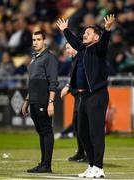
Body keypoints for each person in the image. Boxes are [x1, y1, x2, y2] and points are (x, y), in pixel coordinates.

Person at [56, 14, 115, 178]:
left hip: (97, 95)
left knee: (96, 132)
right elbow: (75, 42)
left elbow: (104, 43)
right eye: (84, 34)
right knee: (82, 132)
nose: (84, 35)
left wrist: (107, 29)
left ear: (96, 37)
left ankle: (99, 167)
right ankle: (91, 165)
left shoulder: (98, 49)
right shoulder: (83, 50)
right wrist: (65, 30)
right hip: (84, 97)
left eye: (87, 33)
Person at [22, 30, 58, 173]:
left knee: (47, 131)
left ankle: (47, 165)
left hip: (44, 100)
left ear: (45, 41)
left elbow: (53, 81)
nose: (35, 42)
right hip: (34, 101)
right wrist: (27, 101)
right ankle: (43, 163)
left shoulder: (49, 58)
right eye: (33, 40)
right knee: (41, 132)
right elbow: (32, 82)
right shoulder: (34, 59)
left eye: (38, 39)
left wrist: (51, 102)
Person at [61, 42, 87, 162]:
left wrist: (68, 87)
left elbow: (80, 80)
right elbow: (73, 79)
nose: (66, 51)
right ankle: (81, 152)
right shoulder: (74, 60)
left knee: (83, 126)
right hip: (77, 97)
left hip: (83, 97)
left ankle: (87, 153)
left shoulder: (81, 59)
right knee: (77, 125)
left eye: (68, 48)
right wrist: (68, 86)